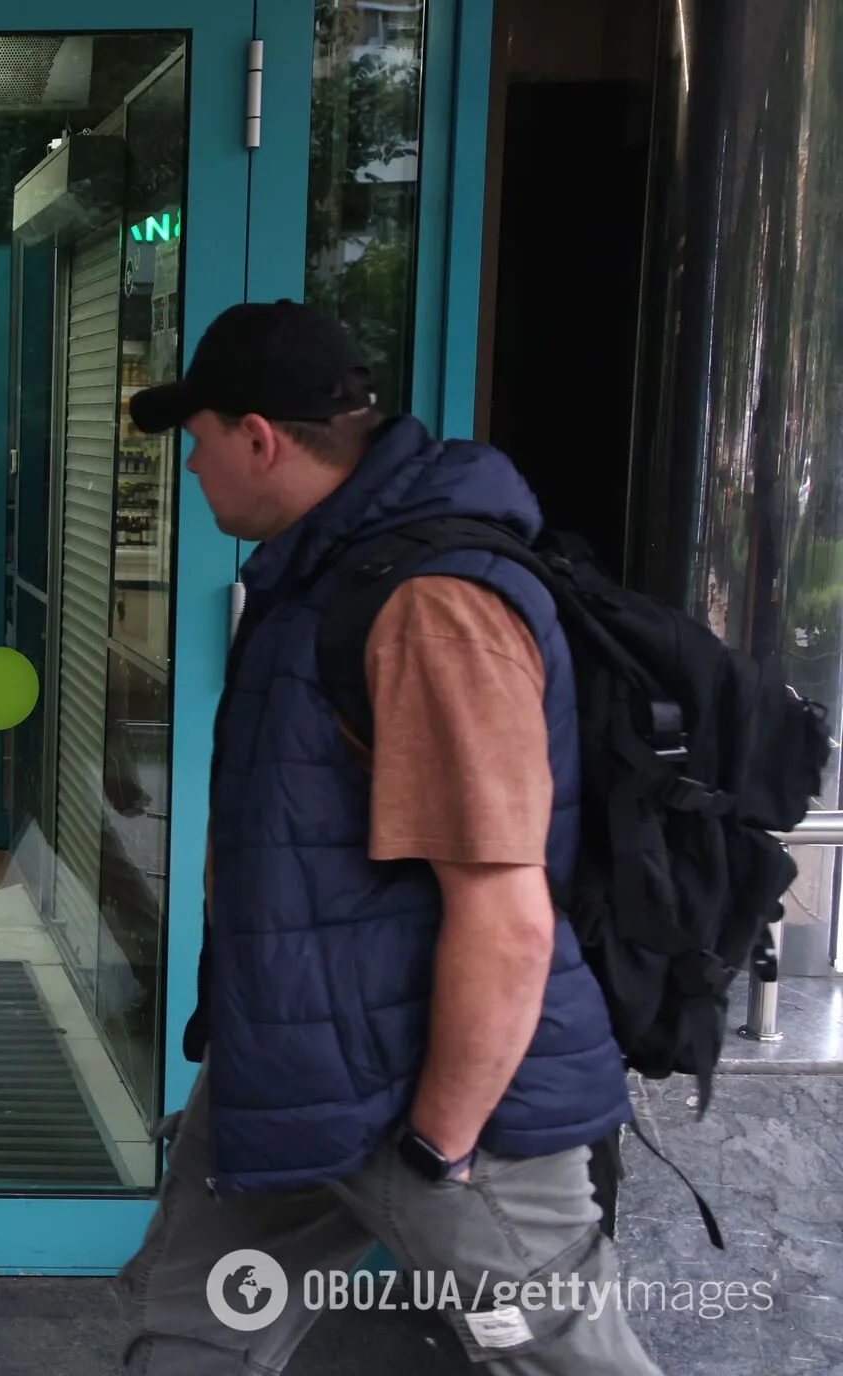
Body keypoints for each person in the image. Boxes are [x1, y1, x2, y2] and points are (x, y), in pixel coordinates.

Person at [111, 300, 652, 1374]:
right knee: (188, 1329)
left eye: (197, 441)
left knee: (562, 1358)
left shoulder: (429, 602)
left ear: (257, 437)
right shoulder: (324, 571)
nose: (190, 467)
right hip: (298, 1071)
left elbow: (504, 914)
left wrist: (439, 1140)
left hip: (433, 1105)